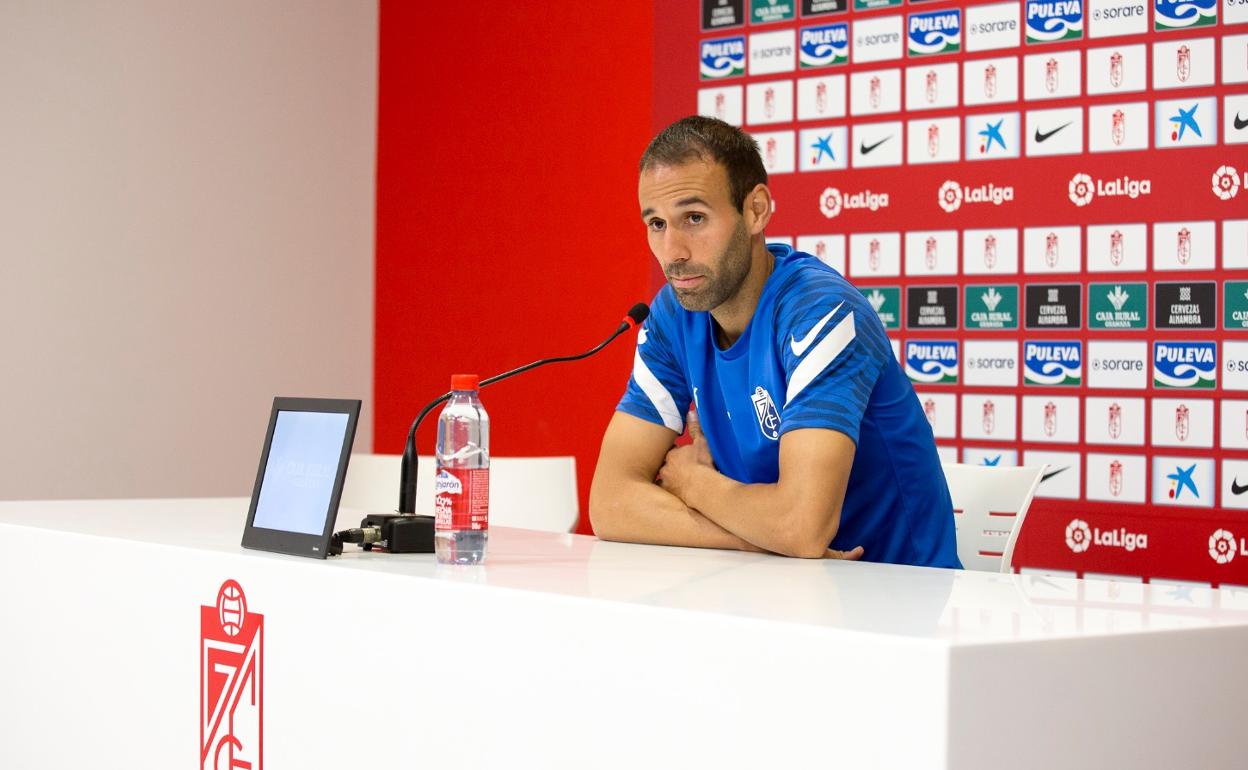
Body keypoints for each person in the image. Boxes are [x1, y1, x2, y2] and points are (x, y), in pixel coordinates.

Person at [588, 115, 961, 568]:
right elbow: (609, 504)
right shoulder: (673, 315)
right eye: (657, 224)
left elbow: (800, 527)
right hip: (780, 589)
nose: (674, 251)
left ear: (755, 210)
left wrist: (694, 485)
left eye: (694, 218)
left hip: (900, 602)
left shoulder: (819, 311)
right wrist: (755, 539)